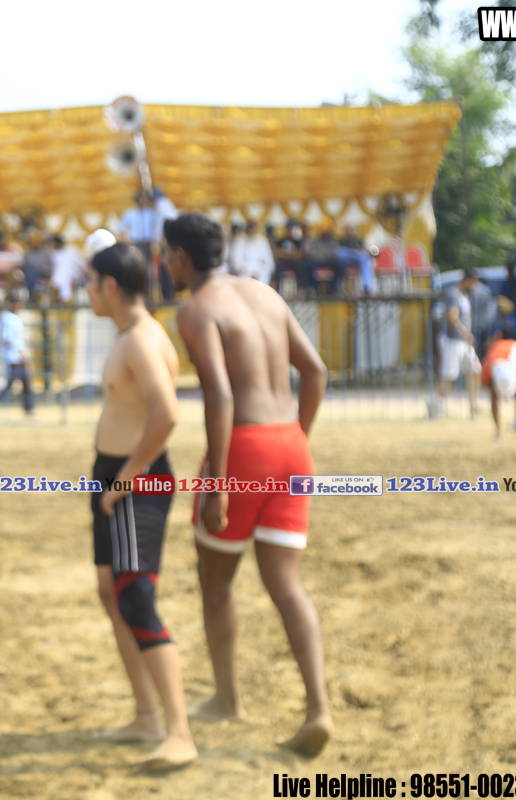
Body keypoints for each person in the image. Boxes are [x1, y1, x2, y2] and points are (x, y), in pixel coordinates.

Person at [162, 213, 332, 757]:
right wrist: (297, 439)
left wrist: (218, 481)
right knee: (287, 586)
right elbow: (316, 371)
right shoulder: (265, 293)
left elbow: (220, 395)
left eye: (166, 253)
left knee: (216, 582)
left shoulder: (195, 309)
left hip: (242, 448)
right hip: (290, 445)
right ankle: (319, 708)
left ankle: (227, 698)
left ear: (181, 257)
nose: (163, 263)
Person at [84, 243, 196, 770]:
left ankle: (180, 733)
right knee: (112, 592)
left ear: (110, 286)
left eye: (90, 283)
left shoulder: (142, 340)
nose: (86, 292)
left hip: (136, 480)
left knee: (135, 599)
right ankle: (147, 716)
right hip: (115, 475)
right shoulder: (128, 335)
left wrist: (126, 479)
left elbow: (167, 415)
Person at [436, 269, 482, 417]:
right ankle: (440, 407)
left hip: (463, 341)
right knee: (448, 375)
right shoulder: (454, 294)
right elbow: (452, 318)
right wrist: (466, 333)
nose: (474, 287)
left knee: (476, 369)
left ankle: (474, 404)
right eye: (473, 283)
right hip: (452, 340)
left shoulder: (464, 295)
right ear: (466, 280)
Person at [0, 292, 33, 415]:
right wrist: (20, 351)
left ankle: (28, 409)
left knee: (25, 382)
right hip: (13, 356)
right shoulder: (7, 318)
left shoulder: (14, 317)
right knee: (12, 384)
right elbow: (7, 337)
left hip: (18, 356)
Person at [481, 331, 516, 441]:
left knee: (494, 398)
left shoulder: (496, 352)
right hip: (502, 371)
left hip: (504, 371)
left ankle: (498, 432)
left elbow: (485, 381)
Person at [49, 235, 85, 304]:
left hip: (72, 274)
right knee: (55, 282)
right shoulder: (53, 254)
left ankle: (66, 300)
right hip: (57, 275)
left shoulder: (71, 250)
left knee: (65, 278)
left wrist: (77, 276)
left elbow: (80, 264)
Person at [240, 221, 275, 286]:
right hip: (246, 268)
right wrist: (247, 270)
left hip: (260, 267)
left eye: (252, 227)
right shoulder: (241, 240)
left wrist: (270, 269)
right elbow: (238, 259)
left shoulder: (262, 239)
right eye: (249, 227)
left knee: (265, 274)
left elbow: (268, 257)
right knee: (243, 276)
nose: (250, 229)